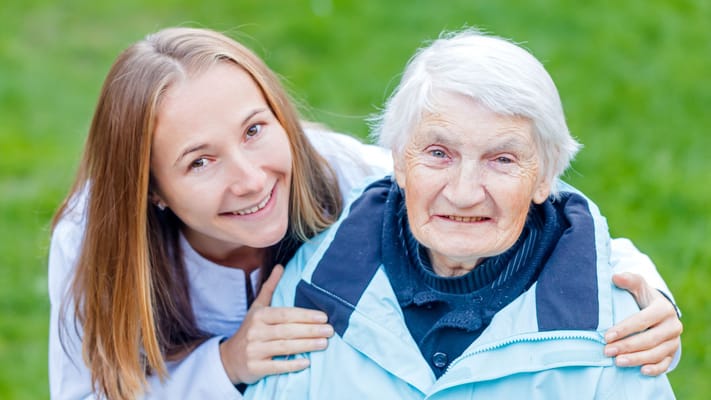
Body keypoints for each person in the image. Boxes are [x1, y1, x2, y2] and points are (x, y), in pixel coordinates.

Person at [48, 27, 680, 399]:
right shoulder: (93, 238)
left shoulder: (345, 173)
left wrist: (637, 289)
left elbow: (502, 201)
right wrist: (228, 364)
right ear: (151, 189)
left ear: (281, 117)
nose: (251, 177)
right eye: (198, 162)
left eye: (254, 129)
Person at [245, 29, 676, 398]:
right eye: (438, 153)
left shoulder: (622, 326)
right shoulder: (314, 283)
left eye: (502, 159)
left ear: (545, 177)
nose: (465, 193)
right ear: (397, 160)